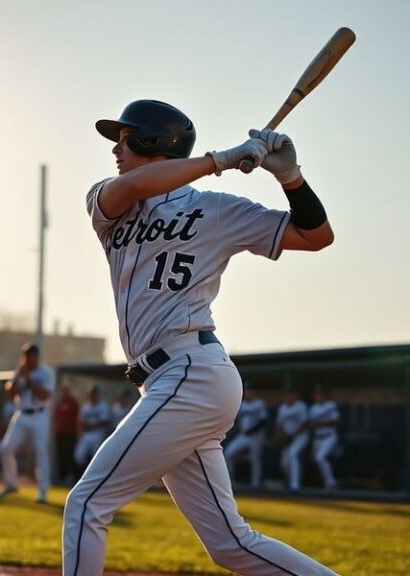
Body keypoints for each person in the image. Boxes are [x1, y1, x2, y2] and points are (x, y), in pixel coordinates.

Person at [63, 99, 338, 575]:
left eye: (125, 138)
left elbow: (316, 236)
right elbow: (133, 185)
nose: (116, 148)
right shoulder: (108, 200)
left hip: (192, 371)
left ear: (153, 141)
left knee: (86, 504)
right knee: (231, 545)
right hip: (167, 380)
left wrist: (290, 177)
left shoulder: (215, 209)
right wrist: (222, 160)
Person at [0, 343, 55, 503]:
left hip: (39, 414)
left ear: (37, 357)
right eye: (26, 357)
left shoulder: (46, 372)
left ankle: (43, 490)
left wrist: (29, 379)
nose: (28, 360)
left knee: (40, 452)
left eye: (31, 357)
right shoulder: (20, 371)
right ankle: (11, 483)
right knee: (5, 448)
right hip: (21, 413)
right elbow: (9, 393)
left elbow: (45, 395)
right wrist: (16, 379)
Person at [224, 383, 269, 489]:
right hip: (244, 435)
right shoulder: (242, 404)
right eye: (247, 391)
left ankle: (255, 484)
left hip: (256, 436)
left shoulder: (259, 404)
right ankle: (230, 481)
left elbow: (263, 420)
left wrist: (253, 430)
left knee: (255, 459)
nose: (248, 393)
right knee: (229, 453)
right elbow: (236, 420)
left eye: (250, 391)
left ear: (254, 392)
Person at [276, 386, 310, 493]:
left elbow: (304, 423)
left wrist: (292, 434)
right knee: (284, 463)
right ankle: (290, 481)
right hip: (288, 438)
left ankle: (295, 485)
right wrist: (279, 435)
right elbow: (279, 424)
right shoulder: (283, 408)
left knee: (293, 453)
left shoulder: (301, 406)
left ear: (296, 395)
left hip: (301, 436)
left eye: (292, 394)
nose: (290, 396)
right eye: (288, 394)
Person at [308, 384, 340, 490]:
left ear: (325, 395)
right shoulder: (313, 408)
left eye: (320, 394)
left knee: (320, 458)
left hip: (329, 437)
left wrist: (318, 423)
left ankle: (331, 482)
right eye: (316, 394)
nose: (318, 396)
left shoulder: (331, 405)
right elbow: (310, 424)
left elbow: (335, 422)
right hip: (318, 438)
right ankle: (328, 483)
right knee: (317, 460)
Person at [73, 385, 110, 472]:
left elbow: (105, 421)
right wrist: (82, 428)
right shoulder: (85, 407)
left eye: (93, 394)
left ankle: (95, 475)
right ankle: (82, 474)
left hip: (98, 433)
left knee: (96, 457)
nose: (91, 396)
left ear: (97, 394)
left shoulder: (103, 406)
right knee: (78, 456)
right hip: (86, 434)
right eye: (90, 394)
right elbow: (80, 421)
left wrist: (92, 424)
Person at [54, 384, 80, 485]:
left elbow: (77, 418)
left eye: (67, 391)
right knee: (61, 456)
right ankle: (62, 477)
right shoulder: (59, 403)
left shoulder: (73, 403)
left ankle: (71, 476)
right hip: (60, 434)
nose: (65, 393)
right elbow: (56, 417)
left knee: (70, 456)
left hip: (70, 434)